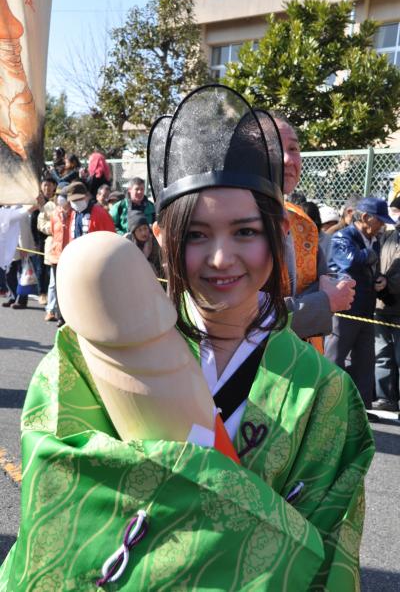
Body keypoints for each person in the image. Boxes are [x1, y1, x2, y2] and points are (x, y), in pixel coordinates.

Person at [0, 85, 374, 591]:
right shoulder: (87, 358)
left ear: (278, 231)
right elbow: (57, 494)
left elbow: (330, 554)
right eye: (196, 235)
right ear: (161, 238)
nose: (221, 259)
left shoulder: (324, 394)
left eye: (245, 232)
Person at [271, 113, 355, 342]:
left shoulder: (303, 224)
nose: (289, 159)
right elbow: (244, 320)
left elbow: (319, 281)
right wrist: (324, 301)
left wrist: (334, 286)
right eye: (276, 148)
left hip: (305, 363)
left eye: (294, 149)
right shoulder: (236, 223)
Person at [324, 196, 395, 420]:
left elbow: (367, 267)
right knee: (334, 357)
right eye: (379, 220)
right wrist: (370, 256)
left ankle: (361, 408)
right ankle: (324, 403)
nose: (382, 225)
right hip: (345, 308)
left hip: (365, 309)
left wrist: (379, 279)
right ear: (365, 217)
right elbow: (349, 261)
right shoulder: (343, 237)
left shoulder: (372, 239)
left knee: (365, 360)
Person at [372, 196, 400, 412]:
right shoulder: (387, 237)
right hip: (382, 306)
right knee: (382, 353)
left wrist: (388, 283)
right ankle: (386, 398)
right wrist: (379, 280)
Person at [30, 173, 57, 305]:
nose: (47, 188)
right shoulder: (37, 201)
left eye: (50, 185)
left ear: (54, 187)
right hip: (41, 239)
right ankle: (42, 293)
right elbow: (33, 222)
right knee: (41, 267)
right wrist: (35, 241)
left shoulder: (56, 201)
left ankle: (51, 293)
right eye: (45, 185)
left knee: (51, 267)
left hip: (55, 238)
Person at [48, 186, 72, 327]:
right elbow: (53, 231)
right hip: (56, 255)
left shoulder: (74, 213)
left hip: (69, 255)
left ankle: (70, 316)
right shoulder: (55, 213)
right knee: (59, 288)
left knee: (69, 288)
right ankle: (60, 316)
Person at [124, 210, 161, 275]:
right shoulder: (127, 242)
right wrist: (145, 255)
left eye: (145, 228)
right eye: (139, 230)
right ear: (134, 232)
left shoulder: (155, 239)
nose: (143, 233)